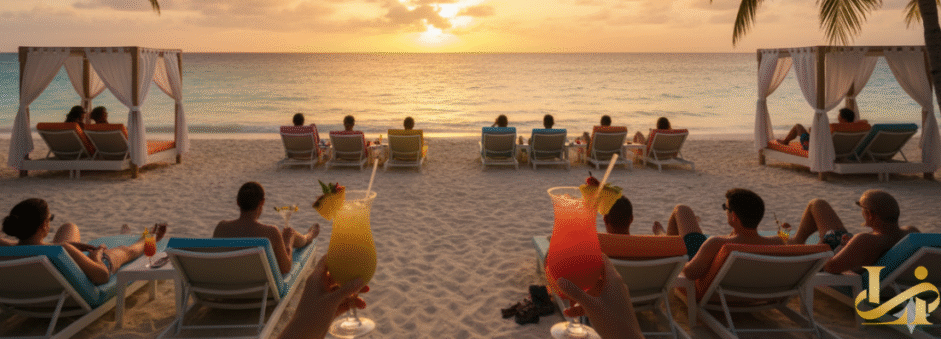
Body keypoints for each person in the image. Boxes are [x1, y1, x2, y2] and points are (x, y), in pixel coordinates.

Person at [275, 254, 644, 339]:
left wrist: (299, 329)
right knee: (682, 214)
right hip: (693, 271)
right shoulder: (699, 251)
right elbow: (690, 272)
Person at [0, 198, 165, 285]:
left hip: (29, 290)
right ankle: (149, 239)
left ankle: (143, 237)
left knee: (69, 227)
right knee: (125, 250)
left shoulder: (0, 246)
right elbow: (102, 277)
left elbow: (30, 247)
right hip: (78, 281)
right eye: (50, 219)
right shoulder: (63, 250)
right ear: (42, 227)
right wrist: (97, 256)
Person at [653, 188, 781, 280]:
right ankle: (664, 236)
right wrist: (785, 232)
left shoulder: (716, 244)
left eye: (726, 209)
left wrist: (678, 258)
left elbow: (690, 273)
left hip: (707, 279)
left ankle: (663, 237)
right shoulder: (777, 243)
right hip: (746, 291)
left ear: (734, 216)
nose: (725, 211)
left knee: (681, 209)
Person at [785, 189, 919, 274]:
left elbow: (830, 267)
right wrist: (850, 245)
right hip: (856, 256)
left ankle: (796, 242)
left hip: (829, 258)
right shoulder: (911, 233)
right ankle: (796, 240)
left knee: (817, 204)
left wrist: (823, 247)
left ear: (870, 215)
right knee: (818, 205)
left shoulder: (865, 240)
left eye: (862, 209)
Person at [213, 182, 319, 275]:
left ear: (238, 202)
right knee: (290, 234)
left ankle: (307, 237)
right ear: (262, 202)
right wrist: (288, 243)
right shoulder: (270, 232)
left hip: (227, 286)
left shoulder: (221, 228)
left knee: (285, 237)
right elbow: (285, 268)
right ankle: (308, 237)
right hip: (260, 291)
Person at [777, 107, 856, 148]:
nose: (837, 116)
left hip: (813, 145)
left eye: (839, 115)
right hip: (834, 148)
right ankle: (786, 140)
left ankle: (786, 141)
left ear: (843, 118)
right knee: (809, 129)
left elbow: (821, 138)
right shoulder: (853, 128)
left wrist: (812, 131)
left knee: (798, 126)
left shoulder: (836, 127)